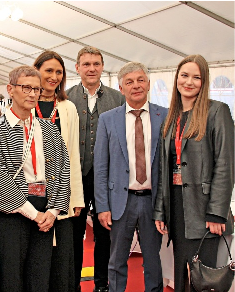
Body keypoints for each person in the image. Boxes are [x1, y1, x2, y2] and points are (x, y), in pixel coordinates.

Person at [0, 65, 71, 292]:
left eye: (37, 89)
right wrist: (34, 214)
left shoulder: (49, 129)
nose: (33, 94)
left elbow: (63, 170)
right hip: (11, 212)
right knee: (12, 281)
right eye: (26, 88)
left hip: (45, 212)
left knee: (40, 279)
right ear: (10, 90)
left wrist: (52, 212)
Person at [153, 55, 234, 292]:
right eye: (184, 75)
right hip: (177, 207)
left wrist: (217, 213)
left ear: (204, 81)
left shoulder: (217, 111)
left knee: (202, 276)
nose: (189, 82)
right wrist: (160, 210)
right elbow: (163, 169)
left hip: (204, 208)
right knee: (182, 273)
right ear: (176, 78)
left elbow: (225, 164)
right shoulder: (171, 117)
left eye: (196, 77)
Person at [94, 62, 167, 292]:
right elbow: (100, 166)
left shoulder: (164, 116)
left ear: (148, 83)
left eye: (140, 80)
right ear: (121, 87)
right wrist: (102, 206)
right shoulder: (108, 119)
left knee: (153, 261)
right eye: (129, 82)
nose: (136, 86)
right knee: (116, 261)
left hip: (152, 202)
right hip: (119, 202)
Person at [67, 46, 125, 292]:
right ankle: (72, 284)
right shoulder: (66, 97)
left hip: (107, 179)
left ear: (102, 67)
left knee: (105, 235)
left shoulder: (117, 98)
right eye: (86, 64)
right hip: (74, 179)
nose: (91, 69)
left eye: (96, 64)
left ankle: (102, 284)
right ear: (77, 67)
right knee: (74, 235)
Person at [33, 51, 84, 292]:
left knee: (61, 262)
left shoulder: (67, 107)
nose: (54, 77)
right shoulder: (26, 104)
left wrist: (76, 198)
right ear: (37, 72)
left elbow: (73, 155)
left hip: (61, 195)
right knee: (35, 262)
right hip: (30, 196)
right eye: (48, 71)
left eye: (59, 72)